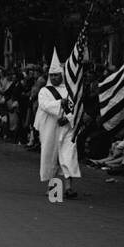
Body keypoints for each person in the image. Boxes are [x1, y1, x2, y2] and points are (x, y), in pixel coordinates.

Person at [36, 49, 80, 198]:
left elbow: (75, 108)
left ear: (62, 75)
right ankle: (53, 187)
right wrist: (60, 103)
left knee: (68, 155)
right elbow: (45, 105)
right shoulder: (44, 91)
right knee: (52, 156)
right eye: (52, 75)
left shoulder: (69, 90)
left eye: (57, 75)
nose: (54, 77)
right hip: (50, 128)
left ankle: (68, 188)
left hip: (66, 128)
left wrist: (68, 118)